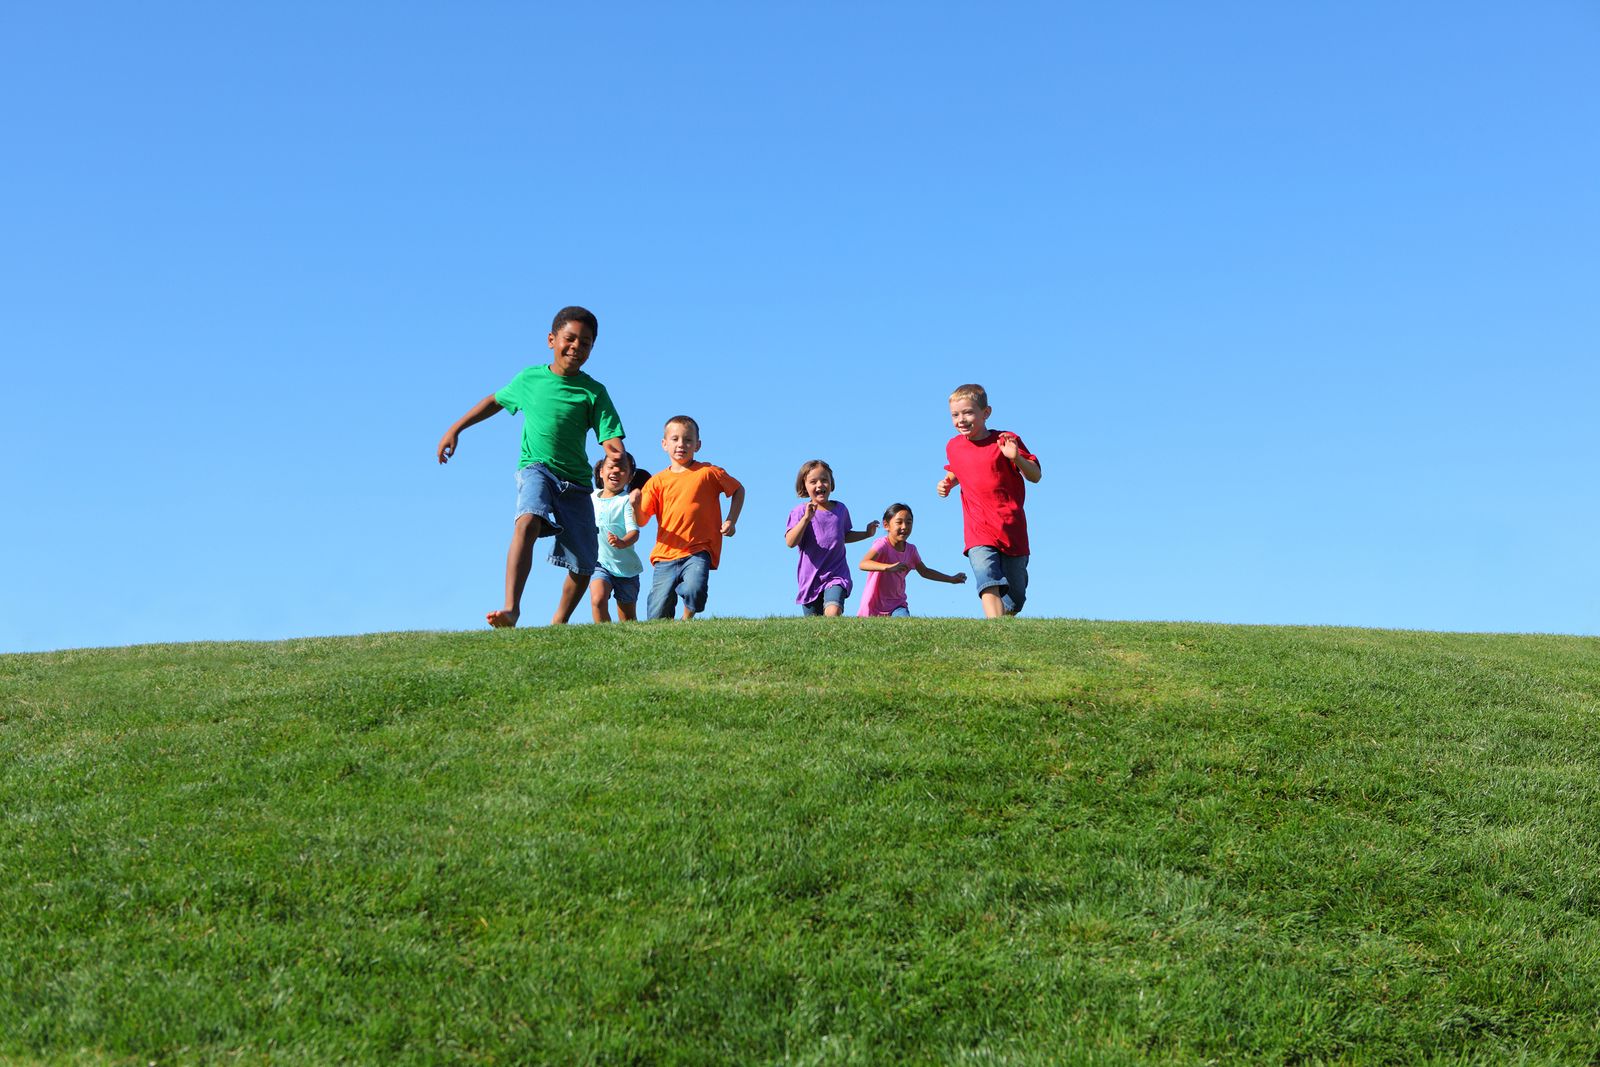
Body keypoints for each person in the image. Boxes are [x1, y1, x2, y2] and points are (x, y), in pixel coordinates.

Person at [436, 306, 625, 628]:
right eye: (570, 339)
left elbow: (610, 435)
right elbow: (495, 401)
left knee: (583, 564)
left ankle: (558, 622)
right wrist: (456, 428)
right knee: (527, 520)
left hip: (575, 482)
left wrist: (615, 450)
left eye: (586, 343)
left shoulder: (594, 392)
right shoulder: (530, 379)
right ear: (552, 339)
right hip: (536, 468)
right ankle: (512, 608)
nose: (576, 347)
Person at [936, 383, 1041, 618]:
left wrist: (1016, 459)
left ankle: (1002, 622)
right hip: (978, 528)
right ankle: (993, 631)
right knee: (986, 573)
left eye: (968, 413)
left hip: (1011, 528)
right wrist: (948, 482)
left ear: (986, 413)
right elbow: (958, 469)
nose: (961, 420)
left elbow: (1035, 476)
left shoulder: (1005, 440)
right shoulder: (953, 446)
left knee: (1016, 597)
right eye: (955, 415)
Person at [634, 415, 745, 620]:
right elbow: (641, 520)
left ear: (698, 445)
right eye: (675, 439)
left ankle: (686, 619)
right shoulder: (657, 481)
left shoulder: (708, 472)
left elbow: (738, 490)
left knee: (695, 590)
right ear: (664, 444)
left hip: (698, 549)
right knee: (657, 614)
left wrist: (731, 520)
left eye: (687, 440)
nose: (681, 444)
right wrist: (634, 505)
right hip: (665, 555)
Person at [784, 459, 878, 616]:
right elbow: (790, 542)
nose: (819, 485)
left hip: (836, 574)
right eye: (813, 481)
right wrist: (806, 519)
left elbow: (843, 536)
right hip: (810, 579)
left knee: (832, 612)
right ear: (804, 486)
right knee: (815, 629)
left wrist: (866, 534)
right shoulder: (800, 512)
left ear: (831, 484)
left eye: (824, 480)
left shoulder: (840, 509)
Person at [857, 503, 967, 616]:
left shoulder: (911, 550)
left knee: (904, 626)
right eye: (899, 522)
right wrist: (888, 567)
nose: (904, 527)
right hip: (874, 606)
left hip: (897, 605)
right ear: (886, 525)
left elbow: (925, 572)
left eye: (909, 522)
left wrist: (951, 579)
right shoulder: (882, 544)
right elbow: (863, 563)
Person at [590, 451, 644, 622]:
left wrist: (622, 542)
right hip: (599, 564)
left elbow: (634, 532)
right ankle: (602, 638)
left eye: (622, 469)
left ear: (629, 477)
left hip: (626, 569)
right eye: (610, 467)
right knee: (598, 600)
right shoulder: (590, 498)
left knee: (627, 619)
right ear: (601, 471)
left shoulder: (626, 501)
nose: (615, 471)